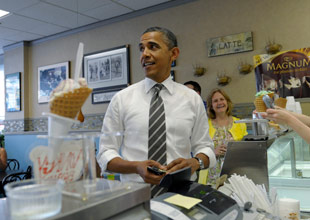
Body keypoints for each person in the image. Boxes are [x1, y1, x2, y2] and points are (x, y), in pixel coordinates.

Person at [96, 27, 216, 196]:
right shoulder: (121, 99)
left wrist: (195, 163)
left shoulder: (192, 99)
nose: (144, 54)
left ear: (173, 54)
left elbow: (206, 148)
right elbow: (105, 154)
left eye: (152, 47)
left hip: (181, 195)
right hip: (134, 195)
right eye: (141, 49)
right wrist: (136, 167)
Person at [205, 88, 247, 187]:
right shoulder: (204, 125)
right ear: (211, 106)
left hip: (235, 175)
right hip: (211, 177)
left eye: (222, 99)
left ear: (227, 102)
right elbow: (197, 151)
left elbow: (246, 150)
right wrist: (213, 152)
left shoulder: (240, 124)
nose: (219, 103)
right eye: (215, 101)